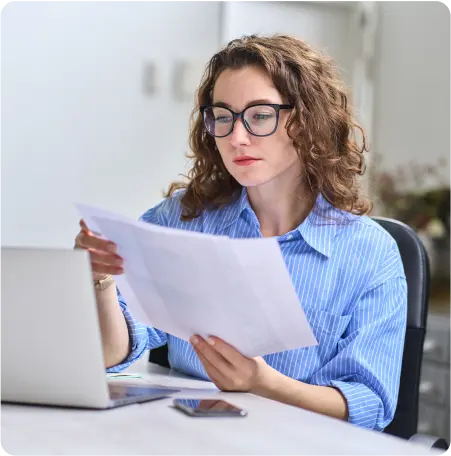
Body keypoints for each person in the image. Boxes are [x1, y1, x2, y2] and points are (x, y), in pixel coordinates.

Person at [74, 34, 407, 431]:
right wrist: (101, 281)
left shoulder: (371, 252)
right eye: (223, 116)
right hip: (183, 437)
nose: (236, 137)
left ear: (305, 122)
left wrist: (264, 384)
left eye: (260, 115)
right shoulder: (181, 219)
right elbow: (115, 353)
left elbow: (370, 404)